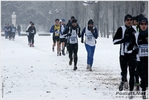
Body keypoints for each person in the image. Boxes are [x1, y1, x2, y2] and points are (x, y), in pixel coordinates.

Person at [113, 14, 138, 99]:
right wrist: (124, 40)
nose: (129, 21)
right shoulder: (121, 29)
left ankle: (131, 92)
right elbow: (114, 41)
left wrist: (135, 46)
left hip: (132, 55)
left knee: (132, 73)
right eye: (127, 20)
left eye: (131, 20)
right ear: (124, 21)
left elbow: (138, 41)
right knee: (124, 73)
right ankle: (123, 80)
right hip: (123, 55)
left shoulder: (135, 29)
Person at [136, 17, 148, 99]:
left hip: (147, 59)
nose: (144, 26)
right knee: (142, 75)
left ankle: (143, 91)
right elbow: (132, 46)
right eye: (142, 24)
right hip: (139, 59)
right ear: (139, 25)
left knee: (146, 78)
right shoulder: (136, 35)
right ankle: (143, 92)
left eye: (145, 24)